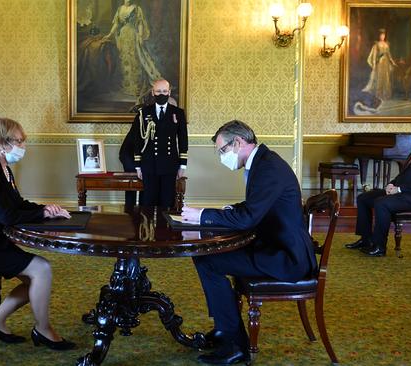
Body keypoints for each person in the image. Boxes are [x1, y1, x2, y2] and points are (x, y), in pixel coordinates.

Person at [181, 120, 316, 365]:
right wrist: (226, 210)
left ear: (239, 142)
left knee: (208, 260)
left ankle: (234, 344)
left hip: (286, 257)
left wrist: (202, 215)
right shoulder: (264, 162)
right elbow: (256, 208)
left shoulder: (268, 168)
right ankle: (225, 329)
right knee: (209, 256)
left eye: (223, 151)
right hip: (276, 245)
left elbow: (249, 218)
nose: (222, 157)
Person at [0, 117, 76, 350]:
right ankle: (43, 330)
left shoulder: (3, 168)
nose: (23, 147)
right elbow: (6, 216)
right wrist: (42, 215)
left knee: (36, 275)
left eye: (23, 141)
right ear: (0, 142)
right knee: (42, 269)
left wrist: (44, 209)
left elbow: (17, 204)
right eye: (18, 141)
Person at [345, 121, 411, 257]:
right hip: (403, 193)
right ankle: (366, 240)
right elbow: (402, 175)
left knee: (382, 203)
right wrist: (391, 185)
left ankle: (379, 246)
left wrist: (399, 190)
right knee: (364, 198)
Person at [132, 78, 188, 207]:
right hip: (149, 164)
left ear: (169, 92)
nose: (161, 94)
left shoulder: (178, 113)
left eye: (164, 91)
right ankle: (147, 227)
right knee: (148, 202)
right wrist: (138, 166)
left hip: (170, 164)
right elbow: (138, 140)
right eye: (158, 91)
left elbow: (183, 140)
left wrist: (182, 166)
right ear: (153, 92)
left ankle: (165, 227)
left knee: (167, 202)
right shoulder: (143, 113)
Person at [103, 0, 162, 99]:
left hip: (132, 36)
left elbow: (140, 23)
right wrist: (109, 35)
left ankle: (135, 87)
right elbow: (116, 24)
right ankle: (127, 86)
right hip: (122, 37)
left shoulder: (137, 9)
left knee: (134, 60)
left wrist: (139, 36)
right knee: (124, 61)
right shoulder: (119, 9)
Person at [362, 28, 397, 101]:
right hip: (380, 63)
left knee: (386, 78)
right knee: (379, 77)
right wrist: (374, 64)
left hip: (386, 63)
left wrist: (392, 62)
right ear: (379, 36)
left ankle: (385, 94)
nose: (382, 37)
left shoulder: (387, 44)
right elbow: (374, 55)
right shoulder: (376, 44)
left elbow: (389, 55)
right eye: (381, 35)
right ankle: (379, 95)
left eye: (383, 35)